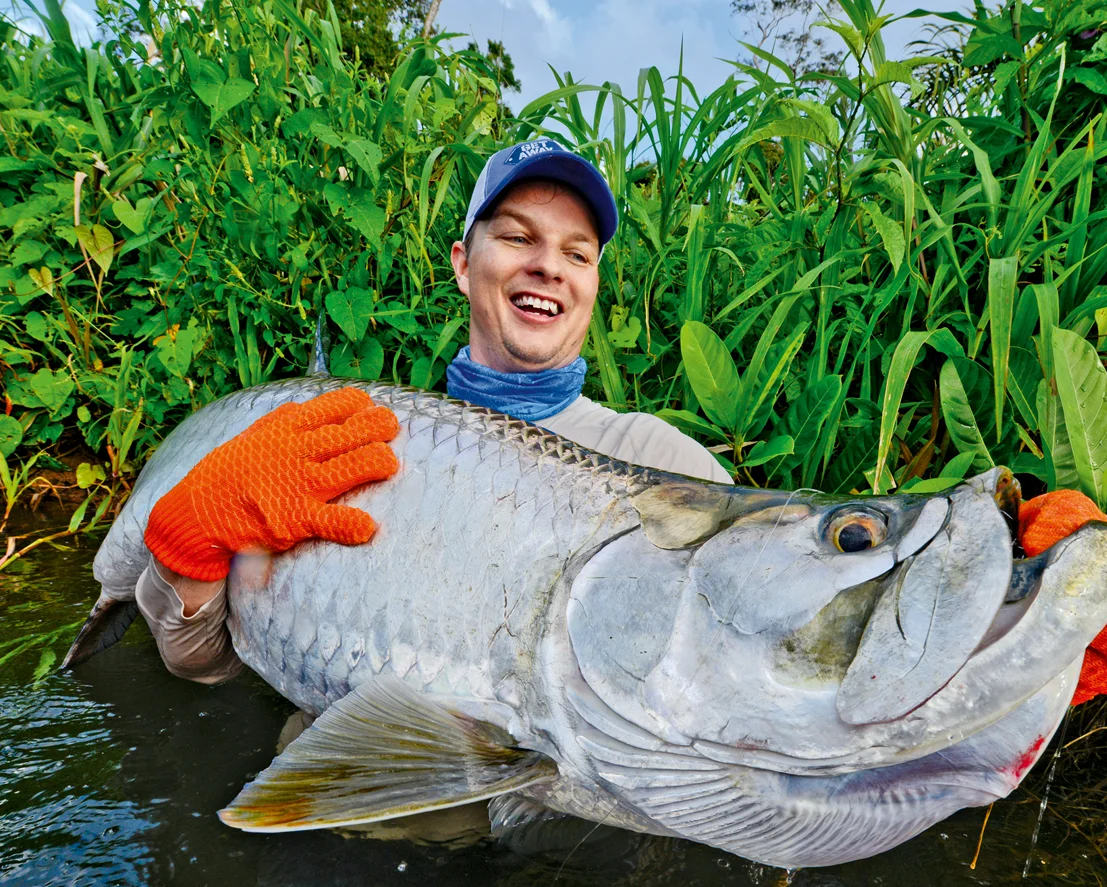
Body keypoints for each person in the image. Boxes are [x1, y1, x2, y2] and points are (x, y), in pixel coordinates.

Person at [134, 139, 730, 685]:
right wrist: (192, 543)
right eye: (519, 238)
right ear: (464, 265)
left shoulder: (668, 467)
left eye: (577, 253)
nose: (548, 265)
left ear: (593, 284)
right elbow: (200, 663)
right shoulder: (337, 443)